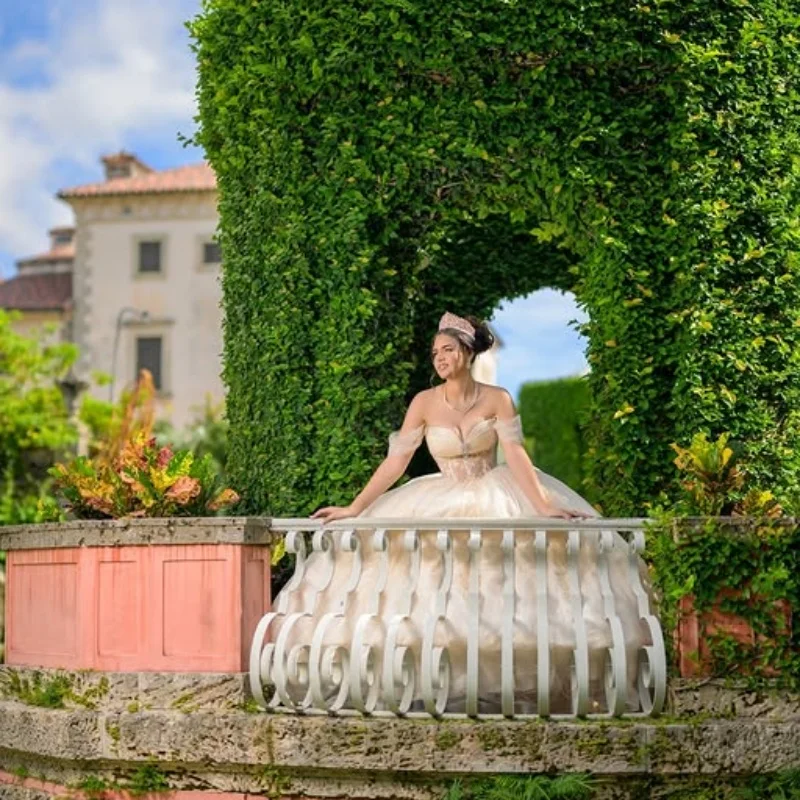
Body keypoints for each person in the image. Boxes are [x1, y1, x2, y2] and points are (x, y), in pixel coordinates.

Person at [263, 312, 654, 715]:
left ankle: (511, 683)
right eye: (435, 353)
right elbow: (396, 461)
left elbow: (516, 455)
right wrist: (355, 507)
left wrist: (542, 505)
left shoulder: (498, 398)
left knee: (500, 584)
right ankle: (433, 682)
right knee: (431, 584)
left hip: (494, 490)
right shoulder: (424, 403)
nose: (440, 358)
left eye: (447, 350)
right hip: (440, 493)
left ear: (467, 353)